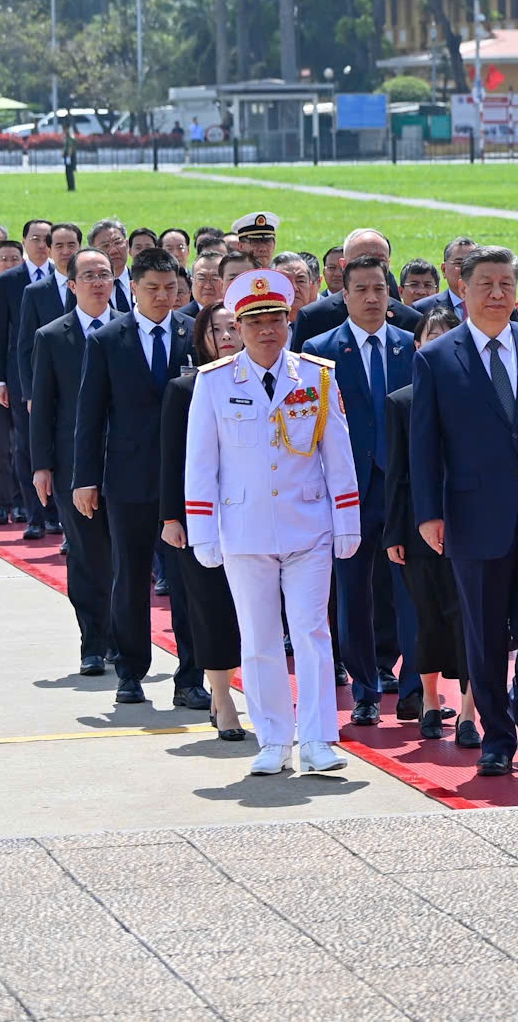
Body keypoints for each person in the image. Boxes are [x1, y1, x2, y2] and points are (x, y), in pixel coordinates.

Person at [411, 246, 518, 776]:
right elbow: (425, 445)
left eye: (506, 284)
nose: (496, 294)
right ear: (462, 289)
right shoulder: (438, 359)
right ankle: (497, 737)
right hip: (474, 514)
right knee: (484, 632)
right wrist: (427, 513)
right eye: (484, 284)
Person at [185, 268, 360, 776]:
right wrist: (203, 529)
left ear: (290, 319)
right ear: (237, 326)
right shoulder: (215, 382)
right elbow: (201, 462)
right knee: (258, 636)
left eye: (276, 318)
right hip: (245, 529)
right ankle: (273, 738)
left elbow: (338, 452)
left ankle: (318, 737)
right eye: (255, 320)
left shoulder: (315, 375)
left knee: (311, 632)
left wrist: (346, 518)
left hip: (308, 525)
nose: (267, 329)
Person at [73, 248, 195, 707]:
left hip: (184, 480)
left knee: (187, 580)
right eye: (152, 289)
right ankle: (131, 671)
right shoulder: (108, 339)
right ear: (134, 289)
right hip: (128, 479)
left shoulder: (191, 332)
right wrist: (85, 478)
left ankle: (191, 676)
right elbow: (90, 413)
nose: (163, 297)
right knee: (131, 577)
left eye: (170, 289)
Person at [305, 255, 418, 726]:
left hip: (403, 489)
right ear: (344, 295)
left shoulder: (412, 347)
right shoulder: (318, 349)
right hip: (347, 490)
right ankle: (365, 687)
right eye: (362, 290)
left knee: (412, 592)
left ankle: (416, 686)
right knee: (352, 594)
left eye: (380, 289)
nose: (372, 298)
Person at [385, 309, 479, 744]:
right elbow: (396, 475)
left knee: (471, 619)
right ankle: (427, 700)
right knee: (428, 619)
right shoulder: (401, 401)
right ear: (418, 346)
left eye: (448, 336)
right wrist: (394, 534)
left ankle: (467, 712)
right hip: (417, 530)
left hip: (470, 524)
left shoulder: (476, 393)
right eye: (431, 337)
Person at [30, 248, 119, 677]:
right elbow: (43, 405)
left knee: (125, 556)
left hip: (125, 462)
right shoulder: (52, 336)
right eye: (89, 275)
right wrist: (42, 465)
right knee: (87, 556)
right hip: (71, 466)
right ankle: (93, 643)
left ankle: (125, 641)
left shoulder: (128, 329)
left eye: (105, 274)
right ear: (71, 285)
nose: (99, 282)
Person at [160, 302, 246, 740]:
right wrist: (172, 516)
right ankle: (224, 698)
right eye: (219, 329)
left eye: (236, 327)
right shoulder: (185, 388)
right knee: (210, 608)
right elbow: (172, 459)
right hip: (203, 520)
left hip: (254, 517)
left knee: (250, 612)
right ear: (203, 337)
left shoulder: (268, 381)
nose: (229, 336)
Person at [15, 222, 85, 539]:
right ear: (49, 248)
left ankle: (71, 527)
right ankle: (41, 515)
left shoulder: (95, 287)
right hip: (48, 388)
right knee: (45, 450)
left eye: (72, 245)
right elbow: (25, 346)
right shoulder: (35, 292)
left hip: (83, 388)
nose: (66, 251)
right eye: (59, 245)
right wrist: (31, 392)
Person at [0, 219, 57, 536]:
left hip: (62, 375)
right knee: (26, 444)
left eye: (48, 239)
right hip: (22, 375)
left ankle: (56, 512)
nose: (42, 244)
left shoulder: (66, 279)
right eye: (35, 238)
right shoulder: (9, 281)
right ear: (23, 241)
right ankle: (33, 514)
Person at [292, 230, 422, 350]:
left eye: (380, 260)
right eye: (362, 259)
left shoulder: (411, 322)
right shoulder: (314, 318)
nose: (371, 266)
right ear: (343, 265)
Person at [0, 237, 23, 524]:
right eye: (4, 259)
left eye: (15, 258)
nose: (9, 264)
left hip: (16, 375)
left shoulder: (23, 290)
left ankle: (22, 502)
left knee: (22, 444)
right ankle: (1, 502)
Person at [411, 236, 477, 318]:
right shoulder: (422, 309)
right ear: (444, 269)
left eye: (471, 263)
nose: (466, 268)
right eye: (459, 263)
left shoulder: (492, 305)